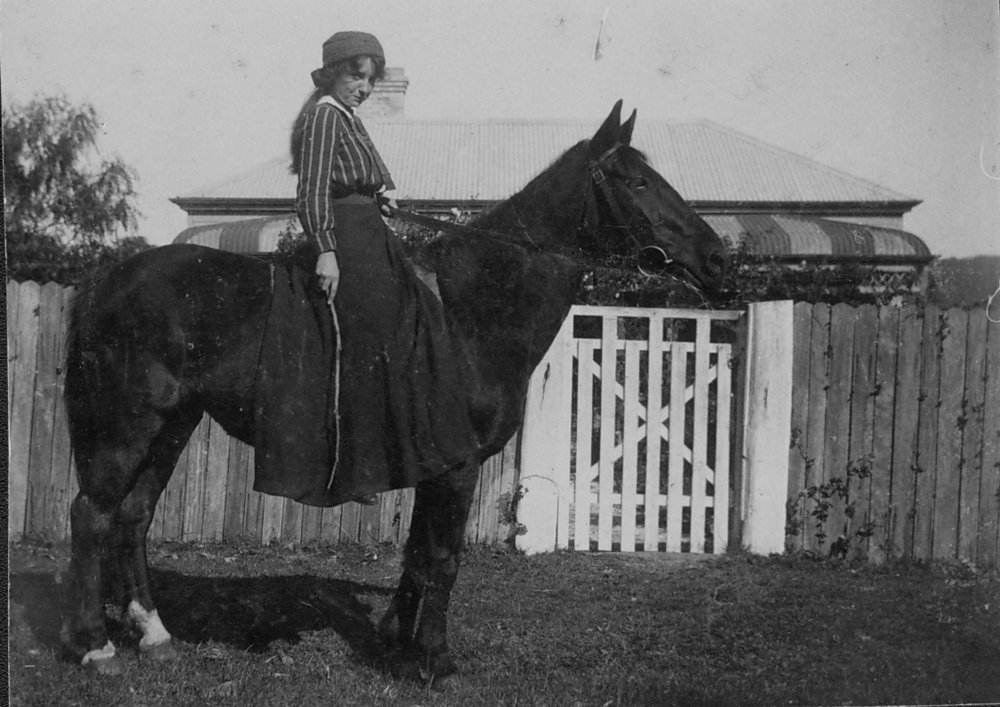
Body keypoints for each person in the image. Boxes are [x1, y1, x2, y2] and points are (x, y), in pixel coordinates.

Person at [290, 31, 481, 505]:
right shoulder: (322, 117)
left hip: (369, 232)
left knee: (417, 320)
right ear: (331, 74)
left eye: (371, 80)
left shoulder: (346, 117)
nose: (364, 87)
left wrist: (380, 197)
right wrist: (325, 250)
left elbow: (357, 176)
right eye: (356, 76)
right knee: (373, 333)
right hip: (346, 240)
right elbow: (312, 190)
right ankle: (352, 462)